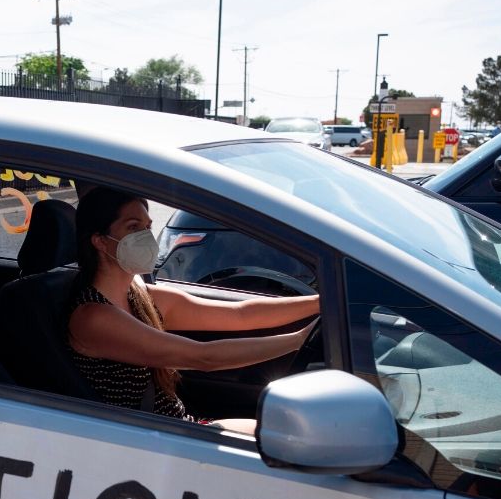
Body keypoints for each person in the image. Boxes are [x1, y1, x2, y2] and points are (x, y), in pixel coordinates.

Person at [66, 186, 320, 434]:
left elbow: (240, 314)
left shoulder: (138, 293)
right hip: (146, 439)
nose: (145, 237)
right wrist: (299, 340)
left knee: (291, 433)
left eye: (147, 227)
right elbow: (204, 357)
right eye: (133, 227)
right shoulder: (93, 316)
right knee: (286, 440)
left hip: (174, 424)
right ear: (100, 241)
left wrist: (321, 303)